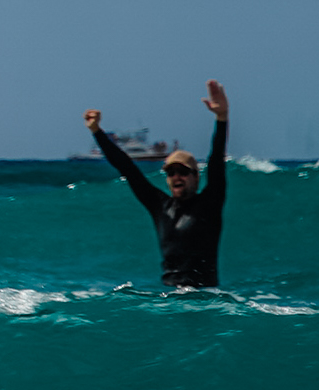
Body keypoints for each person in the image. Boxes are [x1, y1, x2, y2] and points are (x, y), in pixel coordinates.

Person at [84, 80, 229, 287]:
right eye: (171, 173)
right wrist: (97, 131)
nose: (176, 177)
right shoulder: (160, 206)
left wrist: (222, 118)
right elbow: (127, 168)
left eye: (183, 172)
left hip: (204, 295)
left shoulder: (209, 204)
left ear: (196, 177)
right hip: (170, 297)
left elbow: (216, 163)